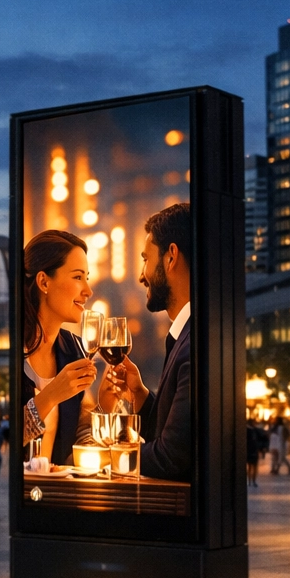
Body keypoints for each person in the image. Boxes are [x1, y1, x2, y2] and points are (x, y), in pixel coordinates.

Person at [100, 204, 194, 482]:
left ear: (171, 257)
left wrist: (103, 459)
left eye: (145, 259)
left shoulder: (192, 346)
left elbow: (170, 458)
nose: (142, 275)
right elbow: (172, 435)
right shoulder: (184, 337)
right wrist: (140, 395)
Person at [18, 230, 99, 466]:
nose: (88, 291)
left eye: (87, 278)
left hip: (55, 491)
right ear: (44, 281)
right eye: (77, 277)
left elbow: (79, 439)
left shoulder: (73, 349)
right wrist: (52, 394)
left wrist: (105, 406)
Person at [246, 421, 268, 487]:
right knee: (254, 467)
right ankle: (252, 481)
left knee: (250, 467)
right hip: (254, 450)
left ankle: (250, 481)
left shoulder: (247, 431)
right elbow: (263, 438)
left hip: (249, 450)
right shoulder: (256, 431)